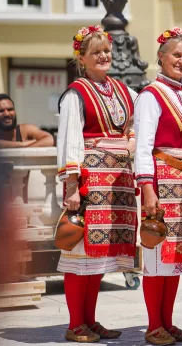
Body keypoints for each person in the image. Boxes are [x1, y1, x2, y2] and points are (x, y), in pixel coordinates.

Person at [57, 25, 137, 343]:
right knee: (81, 254)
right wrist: (71, 185)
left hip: (115, 184)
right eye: (96, 52)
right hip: (90, 182)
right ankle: (76, 323)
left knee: (98, 257)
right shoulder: (76, 93)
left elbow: (134, 121)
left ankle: (90, 320)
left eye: (106, 50)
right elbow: (70, 139)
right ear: (82, 57)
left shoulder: (120, 88)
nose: (103, 56)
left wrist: (131, 139)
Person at [134, 28, 182, 345]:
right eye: (176, 55)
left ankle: (168, 320)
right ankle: (154, 325)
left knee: (174, 258)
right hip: (163, 183)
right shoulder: (150, 95)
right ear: (161, 56)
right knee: (156, 254)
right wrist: (147, 188)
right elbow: (143, 146)